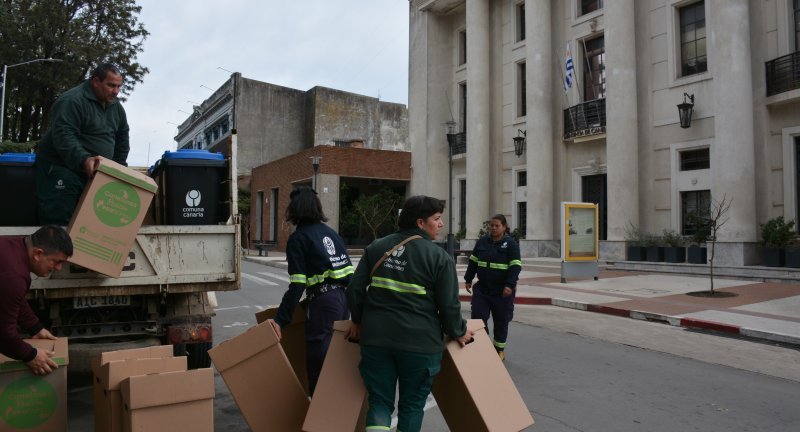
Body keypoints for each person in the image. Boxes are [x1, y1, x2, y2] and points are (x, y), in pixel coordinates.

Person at [346, 195, 473, 432]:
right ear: (420, 223)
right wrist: (459, 331)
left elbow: (354, 289)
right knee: (412, 406)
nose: (441, 224)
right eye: (437, 219)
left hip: (376, 340)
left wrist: (358, 320)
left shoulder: (376, 247)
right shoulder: (439, 258)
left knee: (380, 403)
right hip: (420, 344)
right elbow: (448, 306)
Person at [267, 187, 354, 395]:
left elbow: (297, 284)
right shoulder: (332, 234)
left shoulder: (299, 239)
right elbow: (350, 275)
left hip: (323, 303)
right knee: (336, 357)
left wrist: (280, 320)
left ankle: (320, 412)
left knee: (318, 359)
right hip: (343, 300)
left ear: (295, 210)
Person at [35, 63, 130, 225]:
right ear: (95, 81)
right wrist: (84, 159)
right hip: (63, 169)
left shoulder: (116, 107)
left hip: (96, 174)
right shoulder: (72, 101)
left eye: (119, 86)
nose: (116, 91)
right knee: (59, 224)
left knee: (91, 224)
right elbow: (64, 136)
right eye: (111, 85)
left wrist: (119, 169)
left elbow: (122, 138)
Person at [0, 225, 72, 375]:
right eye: (56, 261)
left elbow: (12, 298)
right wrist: (30, 355)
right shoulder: (14, 276)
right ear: (38, 254)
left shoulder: (12, 246)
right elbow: (4, 335)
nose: (58, 268)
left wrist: (34, 327)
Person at [464, 214, 522, 361]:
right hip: (482, 290)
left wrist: (510, 285)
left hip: (502, 292)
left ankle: (499, 350)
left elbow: (515, 266)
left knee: (501, 322)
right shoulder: (483, 242)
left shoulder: (511, 244)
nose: (494, 228)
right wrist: (468, 278)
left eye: (497, 226)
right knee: (478, 318)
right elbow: (473, 261)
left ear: (504, 227)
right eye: (492, 225)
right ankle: (482, 347)